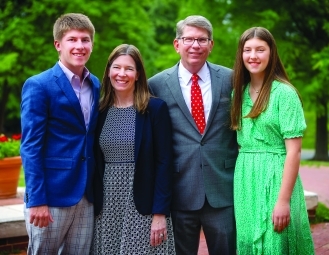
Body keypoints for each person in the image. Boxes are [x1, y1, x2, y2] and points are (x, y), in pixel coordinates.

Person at [148, 15, 238, 255]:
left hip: (222, 189)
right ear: (177, 44)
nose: (195, 45)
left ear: (211, 44)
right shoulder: (155, 85)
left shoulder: (232, 79)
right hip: (179, 190)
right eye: (189, 39)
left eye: (202, 39)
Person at [20, 13, 100, 254]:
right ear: (58, 44)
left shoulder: (95, 84)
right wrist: (37, 200)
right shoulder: (39, 85)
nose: (80, 46)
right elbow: (30, 146)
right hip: (51, 196)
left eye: (85, 40)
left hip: (86, 196)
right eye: (72, 40)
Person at [230, 27, 315, 254]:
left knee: (275, 242)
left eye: (260, 49)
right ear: (241, 54)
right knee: (248, 242)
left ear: (271, 53)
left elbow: (294, 152)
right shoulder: (238, 93)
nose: (253, 56)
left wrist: (283, 200)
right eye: (247, 50)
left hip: (277, 177)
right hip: (246, 179)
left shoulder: (284, 94)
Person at [91, 44, 176, 254]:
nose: (122, 74)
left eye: (129, 68)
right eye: (116, 67)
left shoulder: (155, 109)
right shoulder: (99, 110)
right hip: (107, 206)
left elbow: (165, 163)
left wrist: (159, 213)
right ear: (108, 71)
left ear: (138, 74)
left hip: (143, 205)